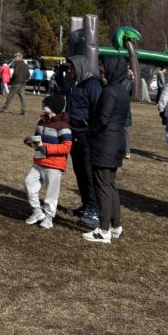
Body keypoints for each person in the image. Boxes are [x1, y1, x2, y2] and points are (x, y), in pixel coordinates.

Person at [83, 56, 130, 243]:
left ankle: (103, 230)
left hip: (105, 144)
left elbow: (103, 119)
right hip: (116, 141)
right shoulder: (123, 91)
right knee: (110, 185)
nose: (100, 73)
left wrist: (90, 132)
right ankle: (116, 226)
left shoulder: (110, 91)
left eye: (102, 70)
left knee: (102, 185)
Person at [22, 94, 73, 229]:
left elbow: (66, 147)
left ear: (53, 107)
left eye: (46, 104)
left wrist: (46, 148)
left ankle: (49, 218)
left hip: (54, 165)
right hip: (39, 162)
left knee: (51, 193)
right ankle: (37, 212)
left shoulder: (63, 126)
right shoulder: (41, 121)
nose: (43, 105)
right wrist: (30, 141)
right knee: (28, 183)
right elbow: (38, 139)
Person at [66, 55, 102, 226]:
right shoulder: (76, 84)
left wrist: (91, 131)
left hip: (86, 136)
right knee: (79, 171)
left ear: (80, 67)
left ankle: (94, 208)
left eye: (72, 68)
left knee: (89, 173)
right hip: (74, 135)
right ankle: (86, 204)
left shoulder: (93, 84)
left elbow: (96, 109)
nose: (69, 71)